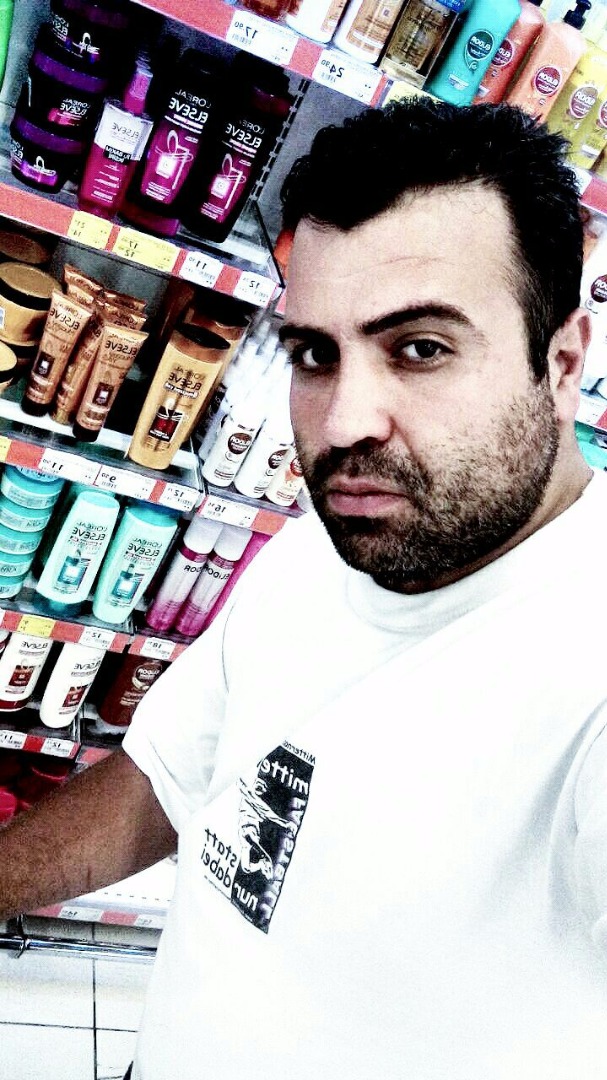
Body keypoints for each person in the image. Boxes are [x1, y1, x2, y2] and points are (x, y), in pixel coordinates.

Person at [1, 97, 607, 1079]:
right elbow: (167, 780)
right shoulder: (337, 540)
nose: (344, 422)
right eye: (316, 354)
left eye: (420, 348)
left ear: (563, 360)